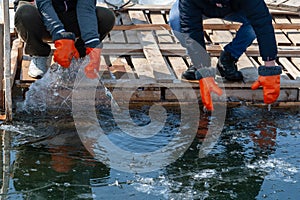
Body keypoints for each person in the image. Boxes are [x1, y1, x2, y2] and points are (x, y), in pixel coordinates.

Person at [169, 0, 282, 110]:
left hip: (235, 8)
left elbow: (262, 22)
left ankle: (229, 57)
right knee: (177, 21)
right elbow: (190, 29)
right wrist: (202, 68)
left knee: (253, 25)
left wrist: (270, 67)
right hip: (199, 6)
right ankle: (197, 63)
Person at [14, 0, 115, 79]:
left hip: (70, 16)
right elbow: (44, 5)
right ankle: (39, 54)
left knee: (106, 17)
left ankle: (78, 56)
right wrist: (61, 35)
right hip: (40, 17)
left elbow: (86, 8)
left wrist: (92, 44)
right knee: (25, 13)